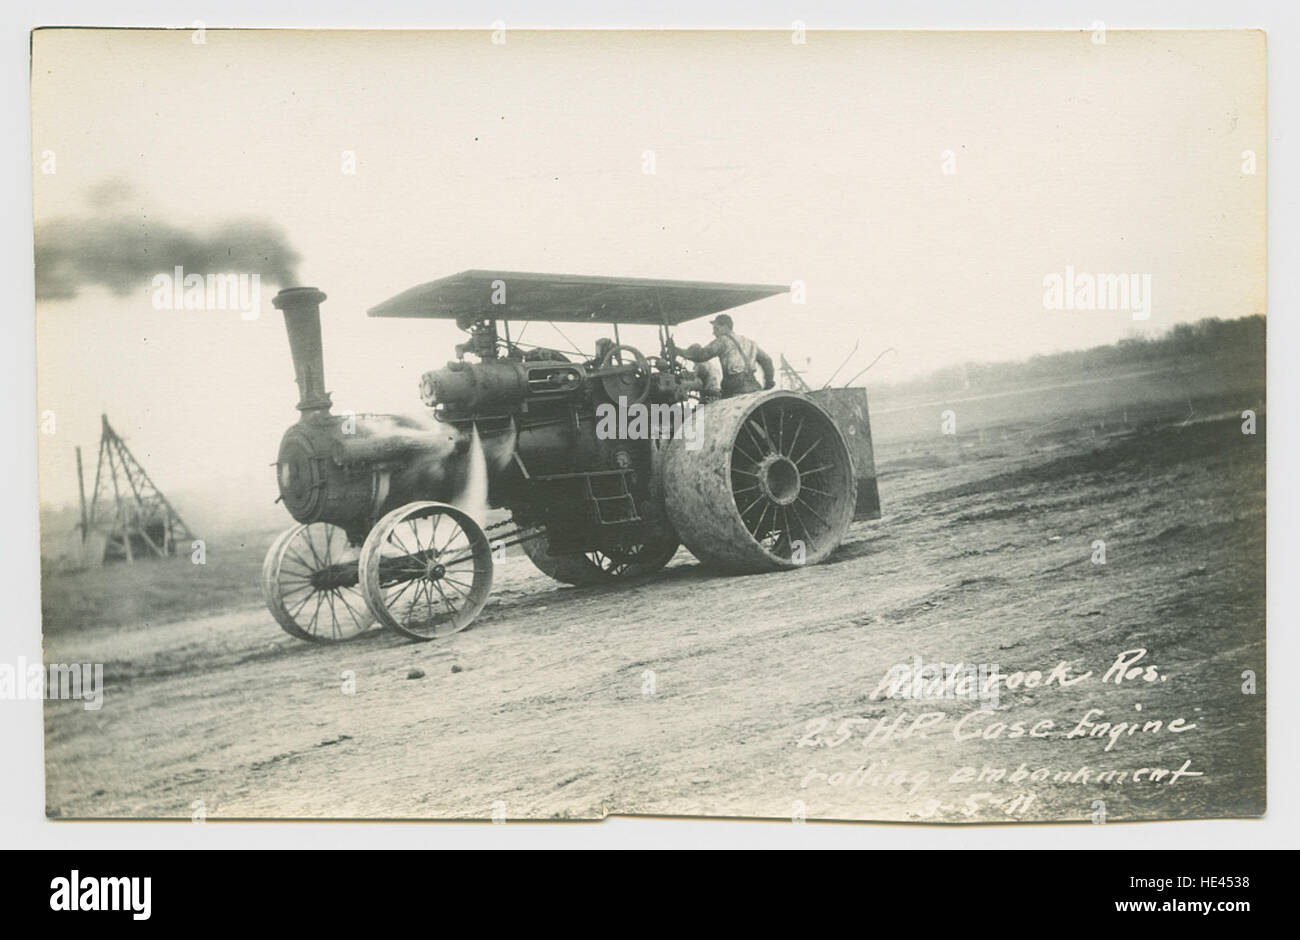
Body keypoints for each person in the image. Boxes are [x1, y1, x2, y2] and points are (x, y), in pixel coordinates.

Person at [678, 313, 775, 398]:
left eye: (716, 328)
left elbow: (702, 355)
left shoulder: (722, 341)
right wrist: (768, 383)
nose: (714, 333)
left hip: (734, 388)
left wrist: (677, 351)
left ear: (725, 326)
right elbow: (767, 360)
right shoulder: (750, 342)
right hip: (754, 386)